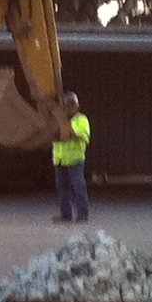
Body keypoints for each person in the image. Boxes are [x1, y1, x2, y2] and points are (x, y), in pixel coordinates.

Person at [50, 91, 90, 222]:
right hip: (60, 159)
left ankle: (82, 214)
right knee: (63, 189)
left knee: (78, 187)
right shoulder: (58, 120)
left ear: (77, 106)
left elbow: (81, 136)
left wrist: (67, 129)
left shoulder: (81, 120)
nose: (69, 108)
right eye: (67, 105)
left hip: (75, 159)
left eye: (72, 105)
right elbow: (53, 135)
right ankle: (65, 215)